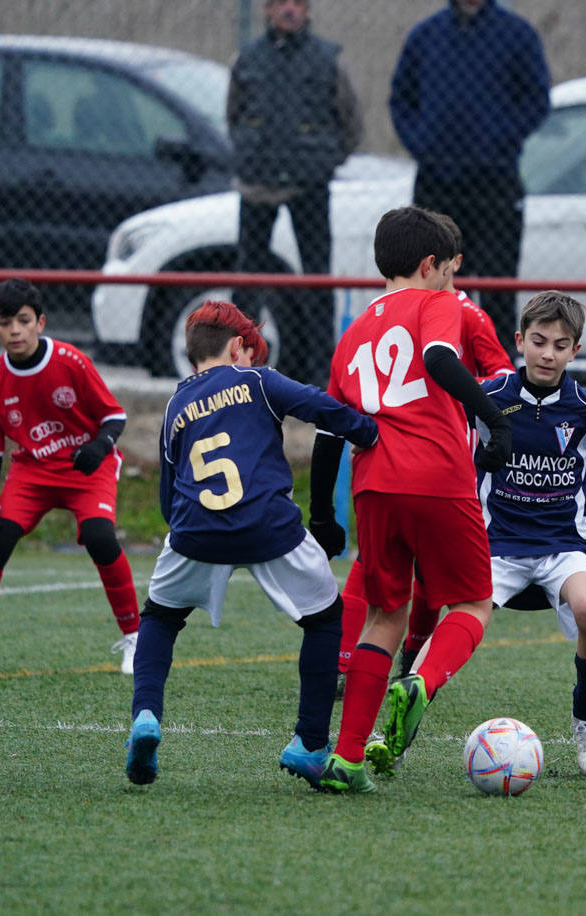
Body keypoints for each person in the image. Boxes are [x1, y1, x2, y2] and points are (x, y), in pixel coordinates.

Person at [123, 300, 378, 788]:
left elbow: (166, 494)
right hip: (268, 524)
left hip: (194, 528)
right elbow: (321, 407)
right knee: (326, 620)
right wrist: (369, 431)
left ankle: (146, 717)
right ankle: (308, 743)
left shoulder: (176, 405)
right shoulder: (257, 381)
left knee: (160, 617)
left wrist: (190, 533)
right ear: (239, 347)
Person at [306, 205, 512, 794]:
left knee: (383, 614)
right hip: (439, 475)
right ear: (430, 266)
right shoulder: (439, 304)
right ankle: (420, 682)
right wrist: (494, 421)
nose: (453, 279)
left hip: (371, 485)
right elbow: (439, 359)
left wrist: (322, 512)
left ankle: (345, 760)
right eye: (448, 268)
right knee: (474, 603)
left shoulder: (350, 334)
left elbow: (327, 431)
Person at [450, 290, 586, 776]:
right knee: (453, 627)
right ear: (519, 341)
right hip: (496, 545)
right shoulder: (488, 398)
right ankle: (399, 725)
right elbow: (443, 435)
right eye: (538, 341)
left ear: (575, 351)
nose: (548, 354)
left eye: (560, 344)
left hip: (562, 545)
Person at [0, 278, 140, 675]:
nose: (15, 330)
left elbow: (114, 416)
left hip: (86, 468)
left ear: (40, 323)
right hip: (32, 472)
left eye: (24, 320)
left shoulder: (70, 362)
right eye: (5, 322)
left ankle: (135, 638)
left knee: (99, 537)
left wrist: (98, 447)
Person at [389, 0, 551, 355]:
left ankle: (497, 381)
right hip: (437, 184)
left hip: (494, 184)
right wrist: (424, 145)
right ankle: (432, 370)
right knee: (431, 285)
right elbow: (401, 98)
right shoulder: (426, 36)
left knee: (496, 287)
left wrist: (499, 141)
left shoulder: (516, 35)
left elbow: (537, 100)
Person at [227, 0, 362, 384]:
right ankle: (239, 366)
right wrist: (251, 154)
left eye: (298, 3)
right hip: (258, 184)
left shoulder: (328, 59)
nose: (290, 10)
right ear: (268, 10)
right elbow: (233, 117)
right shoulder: (247, 59)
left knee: (318, 280)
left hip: (309, 186)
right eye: (281, 3)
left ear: (307, 10)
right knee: (248, 279)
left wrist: (322, 163)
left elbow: (351, 122)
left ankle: (323, 374)